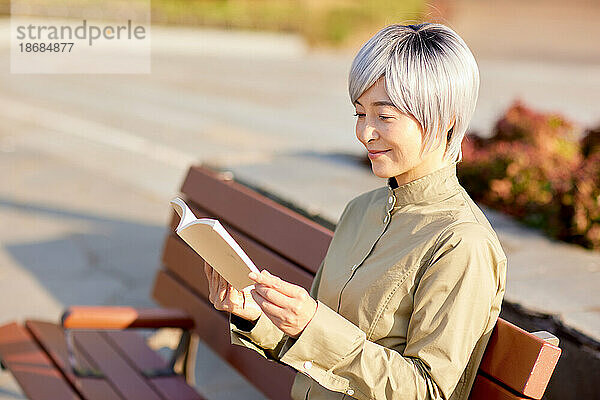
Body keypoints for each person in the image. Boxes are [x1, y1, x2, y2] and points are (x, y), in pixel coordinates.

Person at [203, 22, 507, 400]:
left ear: (443, 122)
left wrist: (313, 326)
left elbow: (427, 391)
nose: (364, 133)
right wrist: (254, 313)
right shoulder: (361, 211)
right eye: (359, 114)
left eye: (384, 116)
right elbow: (312, 345)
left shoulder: (463, 242)